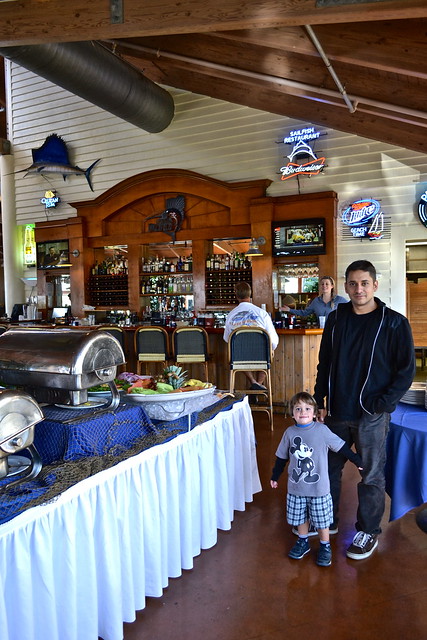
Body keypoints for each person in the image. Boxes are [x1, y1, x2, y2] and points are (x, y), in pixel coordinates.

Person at [313, 260, 415, 560]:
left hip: (371, 415)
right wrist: (320, 400)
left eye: (364, 283)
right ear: (345, 286)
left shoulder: (394, 322)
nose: (359, 289)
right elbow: (325, 364)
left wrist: (384, 405)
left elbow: (405, 371)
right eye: (353, 284)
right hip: (336, 412)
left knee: (370, 474)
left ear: (375, 285)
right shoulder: (335, 319)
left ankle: (368, 531)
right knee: (328, 470)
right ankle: (327, 521)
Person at [270, 392, 362, 567]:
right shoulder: (289, 433)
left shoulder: (322, 431)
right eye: (298, 409)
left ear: (314, 413)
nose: (302, 412)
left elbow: (342, 447)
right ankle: (303, 541)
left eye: (307, 408)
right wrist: (275, 475)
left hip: (319, 489)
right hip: (296, 489)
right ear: (292, 414)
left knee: (321, 520)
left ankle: (324, 545)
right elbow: (282, 457)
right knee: (300, 518)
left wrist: (356, 460)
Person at [223, 281, 279, 390]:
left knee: (237, 351)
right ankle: (258, 384)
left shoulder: (231, 315)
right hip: (261, 356)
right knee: (268, 351)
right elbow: (273, 341)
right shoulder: (262, 314)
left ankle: (253, 382)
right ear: (250, 293)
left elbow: (227, 339)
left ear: (236, 294)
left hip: (239, 357)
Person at [280, 275, 347, 321]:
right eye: (322, 284)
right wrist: (289, 310)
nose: (324, 286)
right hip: (320, 333)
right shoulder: (316, 301)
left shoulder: (339, 300)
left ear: (332, 286)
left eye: (327, 284)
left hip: (336, 333)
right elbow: (305, 313)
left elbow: (351, 308)